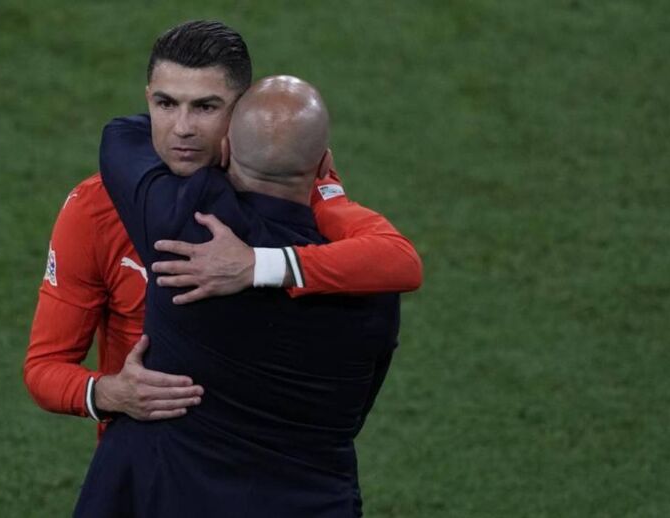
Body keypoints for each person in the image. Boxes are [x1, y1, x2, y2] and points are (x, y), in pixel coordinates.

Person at [23, 20, 421, 434]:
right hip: (149, 465)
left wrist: (255, 264)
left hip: (263, 460)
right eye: (165, 104)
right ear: (147, 100)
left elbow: (397, 262)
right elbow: (43, 368)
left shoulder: (301, 193)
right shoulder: (95, 207)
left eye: (205, 107)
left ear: (241, 111)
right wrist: (106, 393)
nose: (183, 128)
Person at [74, 76, 401, 517]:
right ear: (325, 165)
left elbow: (119, 137)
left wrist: (196, 122)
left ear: (225, 151)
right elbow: (355, 412)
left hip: (163, 494)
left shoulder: (185, 224)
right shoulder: (371, 280)